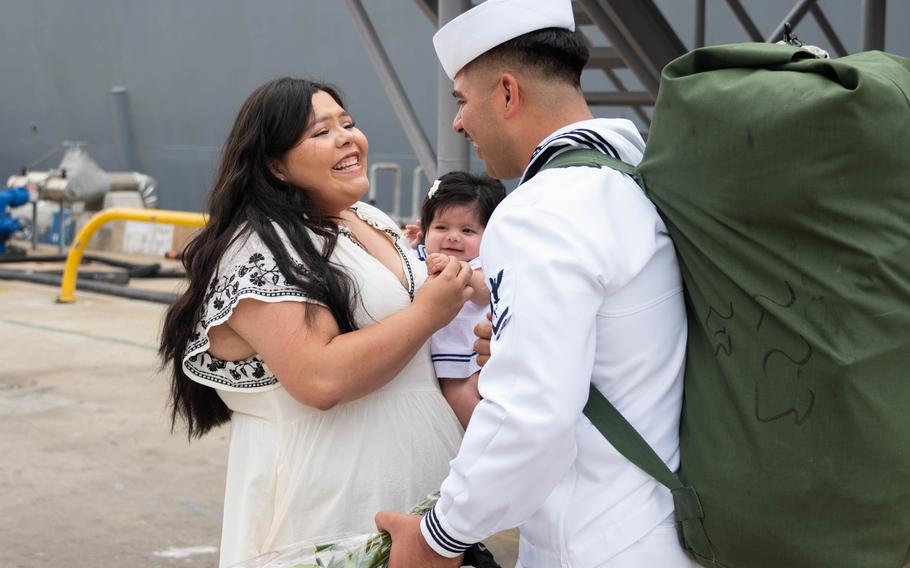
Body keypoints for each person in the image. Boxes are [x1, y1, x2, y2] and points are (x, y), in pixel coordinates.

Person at [376, 1, 696, 567]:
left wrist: (439, 536)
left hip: (594, 544)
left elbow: (531, 415)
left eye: (462, 100)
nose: (457, 122)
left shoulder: (541, 211)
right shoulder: (632, 178)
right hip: (660, 528)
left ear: (506, 93)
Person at [158, 77, 473, 568]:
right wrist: (430, 312)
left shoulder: (368, 218)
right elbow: (320, 378)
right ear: (274, 164)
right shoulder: (259, 247)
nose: (348, 137)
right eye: (321, 132)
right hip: (336, 513)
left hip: (423, 506)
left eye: (348, 123)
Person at [418, 171, 506, 428]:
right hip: (444, 354)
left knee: (467, 401)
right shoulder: (422, 255)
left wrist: (455, 268)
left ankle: (491, 447)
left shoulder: (484, 263)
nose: (453, 237)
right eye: (441, 227)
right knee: (456, 407)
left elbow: (484, 291)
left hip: (470, 352)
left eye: (467, 230)